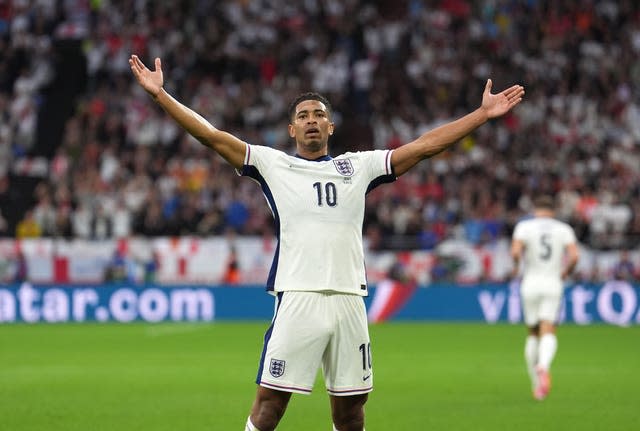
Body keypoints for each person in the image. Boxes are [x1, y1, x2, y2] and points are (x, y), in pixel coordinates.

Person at [129, 54, 524, 431]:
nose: (312, 121)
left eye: (319, 115)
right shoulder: (273, 164)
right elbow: (211, 136)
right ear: (292, 130)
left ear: (331, 127)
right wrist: (161, 95)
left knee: (351, 414)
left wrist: (482, 115)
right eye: (303, 116)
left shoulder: (359, 166)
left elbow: (424, 147)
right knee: (270, 406)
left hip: (350, 298)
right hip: (298, 295)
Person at [510, 195, 579, 401]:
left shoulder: (524, 227)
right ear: (553, 211)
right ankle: (544, 366)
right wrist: (567, 271)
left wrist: (516, 267)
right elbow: (575, 256)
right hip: (553, 283)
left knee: (532, 333)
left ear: (535, 209)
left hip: (530, 283)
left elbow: (515, 252)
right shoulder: (563, 229)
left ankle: (536, 384)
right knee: (548, 328)